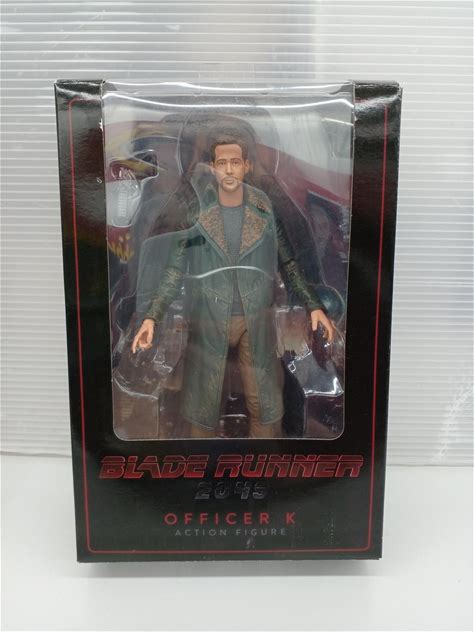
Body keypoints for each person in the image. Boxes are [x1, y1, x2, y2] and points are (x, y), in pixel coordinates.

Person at [132, 133, 334, 438]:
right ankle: (201, 460)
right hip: (208, 317)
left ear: (247, 166)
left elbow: (289, 263)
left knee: (264, 402)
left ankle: (264, 459)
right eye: (222, 162)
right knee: (202, 404)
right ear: (212, 167)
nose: (229, 169)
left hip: (255, 317)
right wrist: (151, 317)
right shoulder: (196, 212)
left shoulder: (264, 210)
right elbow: (174, 272)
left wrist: (314, 307)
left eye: (235, 162)